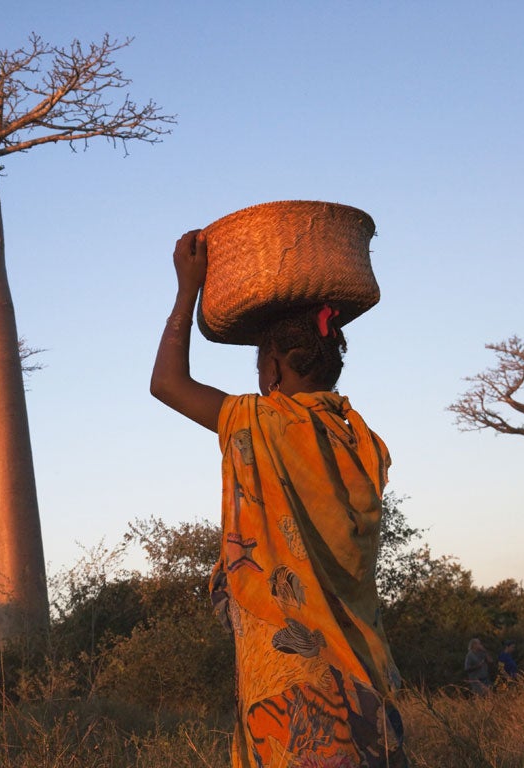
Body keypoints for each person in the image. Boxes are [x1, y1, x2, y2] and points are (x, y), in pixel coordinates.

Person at [151, 230, 406, 767]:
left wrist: (186, 290)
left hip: (299, 692)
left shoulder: (258, 421)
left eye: (258, 366)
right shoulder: (363, 444)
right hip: (368, 682)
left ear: (271, 369)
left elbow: (166, 383)